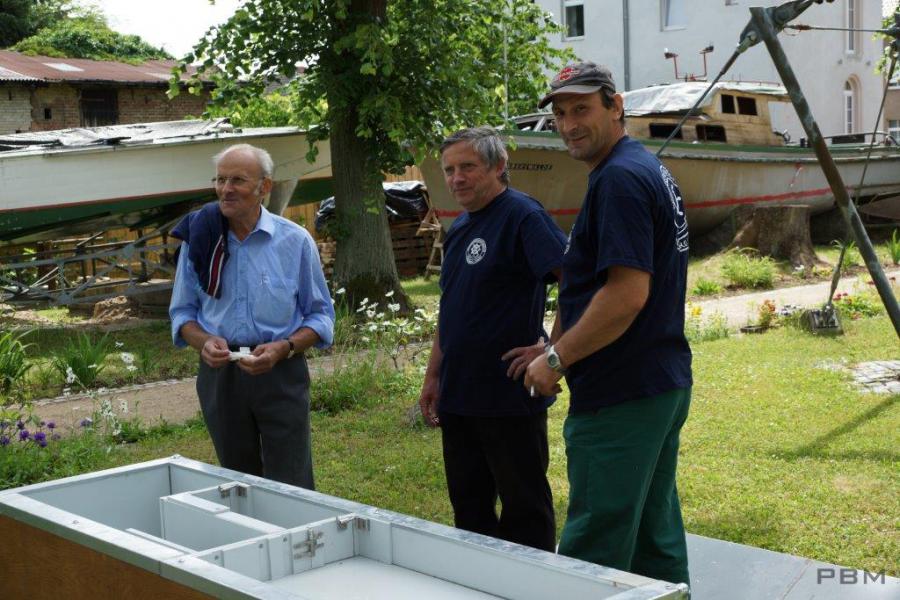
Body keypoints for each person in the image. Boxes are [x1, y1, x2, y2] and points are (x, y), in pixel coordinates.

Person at [524, 62, 693, 586]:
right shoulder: (639, 166)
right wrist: (553, 343)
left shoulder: (619, 179)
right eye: (560, 113)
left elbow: (625, 295)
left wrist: (556, 359)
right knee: (652, 535)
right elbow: (588, 281)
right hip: (658, 382)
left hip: (622, 393)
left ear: (615, 106)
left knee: (595, 547)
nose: (569, 124)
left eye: (582, 109)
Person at [418, 127, 566, 552]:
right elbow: (452, 308)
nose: (456, 178)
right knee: (469, 509)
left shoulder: (523, 216)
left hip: (509, 393)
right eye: (449, 170)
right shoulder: (461, 227)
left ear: (499, 166)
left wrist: (552, 349)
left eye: (467, 167)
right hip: (460, 395)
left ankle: (532, 582)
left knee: (525, 509)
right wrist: (433, 376)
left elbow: (574, 280)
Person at [169, 143, 334, 489]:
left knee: (291, 481)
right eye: (220, 179)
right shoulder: (200, 239)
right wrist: (203, 342)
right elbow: (183, 312)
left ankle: (291, 525)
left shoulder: (295, 241)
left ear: (265, 187)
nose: (226, 189)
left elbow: (320, 317)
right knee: (237, 481)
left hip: (281, 372)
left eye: (238, 180)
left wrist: (284, 347)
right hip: (221, 376)